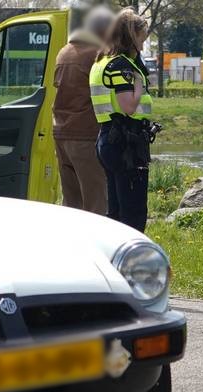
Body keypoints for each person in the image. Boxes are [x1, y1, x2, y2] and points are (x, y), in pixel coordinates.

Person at [90, 9, 154, 232]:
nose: (143, 47)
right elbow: (128, 106)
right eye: (142, 40)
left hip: (109, 138)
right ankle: (132, 263)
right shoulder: (121, 66)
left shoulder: (101, 61)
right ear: (131, 37)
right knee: (133, 214)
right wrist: (138, 83)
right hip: (126, 142)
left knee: (116, 210)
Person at [52, 6, 115, 215]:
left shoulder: (64, 52)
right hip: (86, 134)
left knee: (71, 202)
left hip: (62, 132)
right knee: (96, 201)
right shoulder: (97, 55)